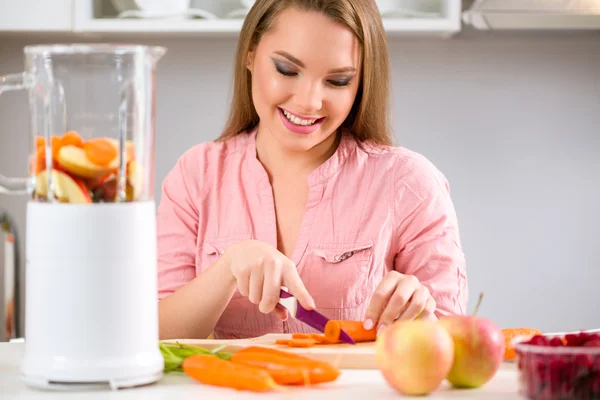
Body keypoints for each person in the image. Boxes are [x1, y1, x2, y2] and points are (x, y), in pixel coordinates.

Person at [156, 0, 468, 341]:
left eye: (337, 81)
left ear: (361, 83)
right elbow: (155, 334)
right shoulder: (196, 175)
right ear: (249, 53)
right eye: (287, 70)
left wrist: (420, 316)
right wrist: (229, 267)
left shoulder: (411, 184)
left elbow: (450, 343)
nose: (308, 102)